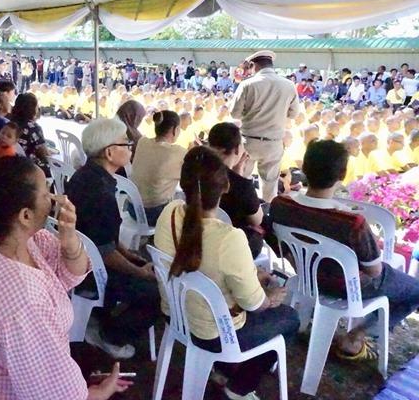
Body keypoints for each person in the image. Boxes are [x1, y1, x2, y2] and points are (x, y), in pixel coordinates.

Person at [0, 156, 130, 399]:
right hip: (4, 392)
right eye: (46, 192)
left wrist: (69, 239)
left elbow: (72, 273)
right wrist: (100, 392)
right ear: (25, 215)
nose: (55, 198)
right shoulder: (22, 301)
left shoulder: (0, 242)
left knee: (91, 355)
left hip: (13, 369)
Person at [154, 146, 299, 400]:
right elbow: (254, 305)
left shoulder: (170, 212)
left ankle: (222, 370)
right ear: (226, 187)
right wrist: (270, 298)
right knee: (290, 318)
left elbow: (202, 261)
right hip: (212, 334)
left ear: (183, 183)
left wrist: (250, 274)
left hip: (176, 315)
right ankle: (239, 387)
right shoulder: (230, 238)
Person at [271, 140, 419, 360]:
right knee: (415, 290)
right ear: (342, 174)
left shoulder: (280, 205)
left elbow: (279, 246)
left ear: (304, 168)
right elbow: (375, 272)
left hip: (305, 277)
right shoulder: (352, 222)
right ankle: (356, 336)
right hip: (348, 288)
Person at [66, 118, 161, 359]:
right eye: (126, 144)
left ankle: (98, 318)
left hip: (82, 260)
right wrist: (139, 271)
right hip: (92, 272)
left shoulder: (83, 176)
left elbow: (104, 238)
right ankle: (111, 336)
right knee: (160, 292)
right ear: (109, 152)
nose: (130, 147)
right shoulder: (100, 192)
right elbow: (105, 252)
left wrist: (129, 256)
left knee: (142, 261)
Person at [229, 50, 300, 201]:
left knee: (241, 180)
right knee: (269, 185)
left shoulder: (247, 84)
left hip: (249, 141)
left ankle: (239, 210)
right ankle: (266, 211)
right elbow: (294, 114)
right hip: (273, 142)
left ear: (254, 66)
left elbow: (234, 113)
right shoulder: (289, 85)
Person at [207, 122, 266, 258]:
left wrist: (237, 173)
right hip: (232, 246)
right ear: (237, 150)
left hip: (203, 235)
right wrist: (240, 178)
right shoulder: (242, 185)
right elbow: (257, 220)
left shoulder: (198, 171)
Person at [130, 110, 186, 226]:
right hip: (154, 214)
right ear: (175, 130)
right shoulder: (178, 152)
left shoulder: (142, 142)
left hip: (132, 207)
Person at [10, 93, 50, 173]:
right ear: (32, 109)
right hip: (28, 167)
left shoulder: (10, 123)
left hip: (12, 162)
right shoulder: (33, 127)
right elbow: (44, 154)